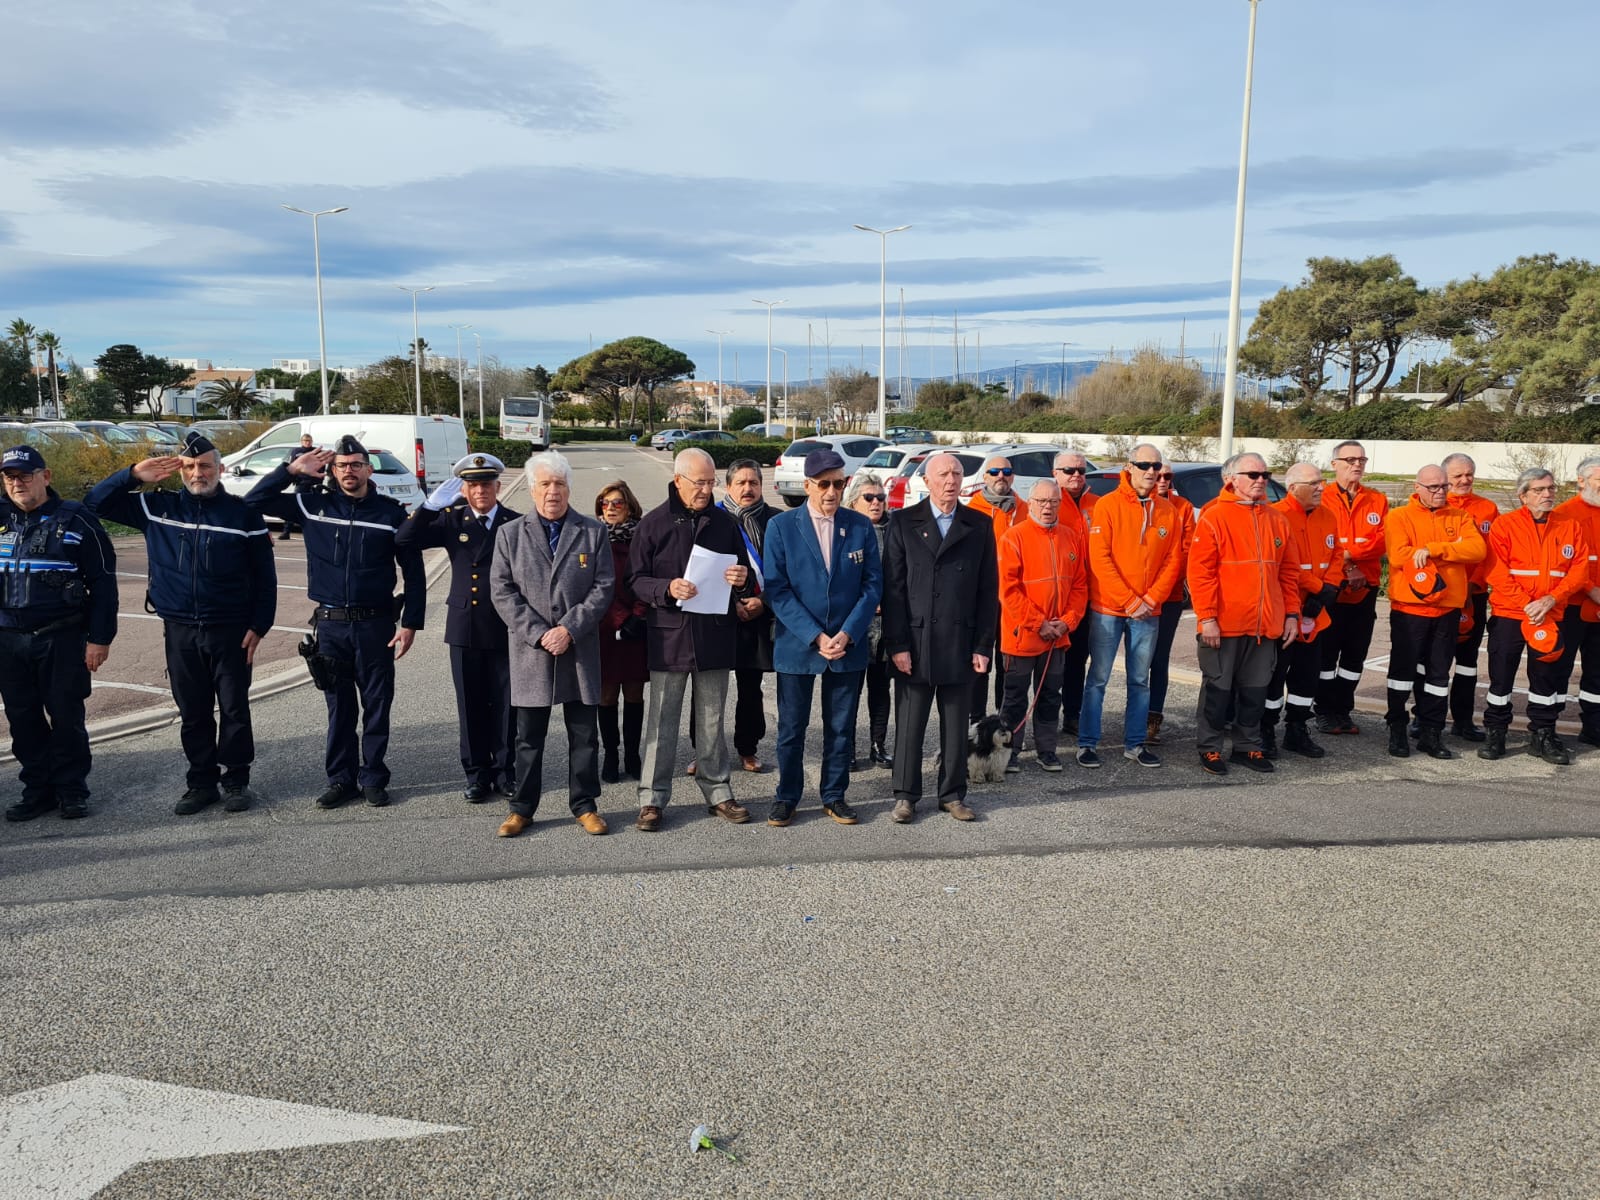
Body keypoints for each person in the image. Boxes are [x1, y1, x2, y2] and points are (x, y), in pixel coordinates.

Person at [85, 431, 276, 814]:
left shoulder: (242, 515)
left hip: (231, 630)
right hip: (180, 630)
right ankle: (201, 783)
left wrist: (260, 625)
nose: (197, 473)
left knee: (235, 709)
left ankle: (236, 780)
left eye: (204, 466)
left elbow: (265, 577)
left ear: (220, 468)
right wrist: (132, 474)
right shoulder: (157, 507)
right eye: (189, 466)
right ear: (179, 470)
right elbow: (94, 504)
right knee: (193, 711)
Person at [245, 434, 425, 808]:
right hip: (331, 625)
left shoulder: (390, 514)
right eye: (342, 465)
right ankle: (341, 779)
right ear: (332, 470)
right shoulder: (313, 506)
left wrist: (411, 623)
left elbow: (414, 571)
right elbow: (253, 502)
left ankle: (373, 777)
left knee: (377, 704)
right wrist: (290, 470)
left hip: (376, 624)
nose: (349, 471)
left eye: (356, 464)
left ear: (368, 470)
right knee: (339, 708)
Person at [626, 446, 754, 831]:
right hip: (669, 639)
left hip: (714, 635)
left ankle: (718, 791)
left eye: (711, 482)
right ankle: (652, 798)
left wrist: (741, 578)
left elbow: (745, 571)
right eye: (699, 482)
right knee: (661, 721)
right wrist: (666, 588)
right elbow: (634, 580)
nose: (706, 489)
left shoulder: (725, 523)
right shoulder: (653, 524)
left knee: (712, 720)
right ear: (678, 480)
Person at [489, 451, 615, 837]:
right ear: (532, 489)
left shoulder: (592, 531)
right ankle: (522, 808)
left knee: (584, 735)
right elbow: (501, 590)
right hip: (532, 651)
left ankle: (585, 805)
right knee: (528, 738)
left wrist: (569, 628)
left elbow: (604, 586)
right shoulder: (510, 534)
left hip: (578, 649)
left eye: (559, 483)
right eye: (545, 484)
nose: (552, 491)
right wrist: (539, 632)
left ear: (569, 488)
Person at [761, 448, 882, 826]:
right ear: (808, 485)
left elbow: (872, 586)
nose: (832, 492)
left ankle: (834, 794)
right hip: (798, 643)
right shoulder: (782, 526)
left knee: (840, 727)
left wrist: (848, 632)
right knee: (791, 728)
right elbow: (777, 589)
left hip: (847, 644)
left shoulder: (859, 526)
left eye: (839, 484)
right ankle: (787, 796)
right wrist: (815, 636)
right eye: (824, 484)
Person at [0, 446, 117, 822]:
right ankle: (38, 790)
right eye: (9, 477)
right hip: (8, 638)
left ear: (46, 477)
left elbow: (103, 582)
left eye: (25, 475)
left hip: (60, 637)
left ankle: (71, 790)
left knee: (66, 717)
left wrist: (100, 638)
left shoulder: (76, 519)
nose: (17, 483)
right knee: (22, 719)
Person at [881, 451, 999, 823]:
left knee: (956, 726)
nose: (951, 481)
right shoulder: (903, 522)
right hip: (915, 642)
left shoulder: (979, 524)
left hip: (960, 641)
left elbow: (988, 590)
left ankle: (952, 794)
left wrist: (983, 645)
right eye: (943, 474)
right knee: (910, 725)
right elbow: (893, 589)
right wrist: (897, 644)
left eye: (957, 474)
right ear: (927, 480)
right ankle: (905, 796)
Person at [394, 452, 519, 802]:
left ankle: (505, 772)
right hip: (465, 624)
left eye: (486, 484)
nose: (480, 491)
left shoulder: (514, 522)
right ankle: (477, 774)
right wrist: (429, 507)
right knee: (471, 702)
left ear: (498, 487)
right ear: (464, 489)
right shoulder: (452, 520)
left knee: (507, 704)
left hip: (505, 624)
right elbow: (404, 539)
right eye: (473, 485)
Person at [1187, 453, 1300, 776]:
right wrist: (1207, 617)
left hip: (1264, 626)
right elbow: (1200, 573)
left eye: (1265, 474)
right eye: (1253, 474)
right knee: (1218, 691)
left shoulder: (1278, 520)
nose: (1261, 480)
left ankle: (1247, 747)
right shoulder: (1214, 516)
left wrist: (1292, 614)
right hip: (1224, 625)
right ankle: (1209, 748)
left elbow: (1289, 573)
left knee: (1255, 691)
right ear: (1232, 479)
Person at [1078, 445, 1182, 769]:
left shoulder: (1169, 511)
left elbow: (1173, 561)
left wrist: (1150, 600)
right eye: (1144, 465)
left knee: (1140, 681)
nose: (1151, 471)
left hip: (1148, 612)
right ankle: (1087, 743)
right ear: (1129, 466)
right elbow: (1100, 558)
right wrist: (1130, 600)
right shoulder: (1108, 505)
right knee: (1098, 678)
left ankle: (1135, 744)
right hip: (1109, 609)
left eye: (1156, 466)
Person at [1479, 468, 1590, 764]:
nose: (1547, 494)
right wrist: (1528, 604)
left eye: (1551, 488)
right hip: (1510, 615)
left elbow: (1579, 570)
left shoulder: (1570, 526)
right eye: (1539, 490)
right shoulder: (1505, 525)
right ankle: (1496, 732)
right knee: (1501, 676)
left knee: (1546, 679)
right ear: (1523, 495)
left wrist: (1552, 599)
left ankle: (1542, 734)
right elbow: (1496, 572)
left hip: (1551, 615)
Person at [1381, 464, 1486, 760]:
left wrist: (1433, 549)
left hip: (1447, 608)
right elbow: (1399, 555)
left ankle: (1431, 732)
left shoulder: (1460, 516)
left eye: (1444, 486)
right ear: (1417, 488)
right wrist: (1453, 550)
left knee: (1439, 675)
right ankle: (1397, 728)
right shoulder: (1399, 516)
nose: (1441, 492)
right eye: (1434, 487)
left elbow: (1477, 550)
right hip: (1410, 608)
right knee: (1402, 673)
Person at [997, 478, 1088, 773]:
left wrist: (1067, 622)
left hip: (1057, 637)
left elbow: (1080, 586)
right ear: (1031, 502)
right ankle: (1009, 752)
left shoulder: (1070, 537)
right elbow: (1008, 591)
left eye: (1053, 502)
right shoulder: (1014, 537)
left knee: (1050, 695)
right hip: (1022, 636)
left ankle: (1047, 750)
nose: (1047, 507)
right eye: (1041, 501)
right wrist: (1038, 623)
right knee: (1015, 698)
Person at [1261, 463, 1340, 760]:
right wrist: (1318, 587)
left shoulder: (1327, 516)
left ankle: (1296, 729)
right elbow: (1283, 564)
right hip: (1285, 611)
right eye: (1314, 483)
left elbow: (1336, 555)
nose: (1321, 488)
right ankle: (1265, 731)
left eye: (1322, 481)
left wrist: (1329, 587)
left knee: (1307, 676)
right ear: (1293, 488)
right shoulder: (1276, 516)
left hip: (1316, 614)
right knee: (1274, 676)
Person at [1314, 441, 1388, 736]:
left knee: (1355, 655)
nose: (1357, 464)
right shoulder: (1321, 497)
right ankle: (1323, 710)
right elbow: (1324, 542)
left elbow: (1382, 540)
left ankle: (1343, 709)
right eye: (1350, 459)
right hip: (1332, 586)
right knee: (1327, 654)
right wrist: (1347, 564)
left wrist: (1349, 554)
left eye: (1361, 459)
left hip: (1365, 587)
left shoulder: (1377, 499)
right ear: (1335, 464)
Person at [718, 458, 776, 772]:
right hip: (720, 615)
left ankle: (748, 748)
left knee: (750, 687)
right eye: (740, 482)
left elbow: (787, 571)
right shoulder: (713, 519)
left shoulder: (776, 520)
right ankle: (705, 750)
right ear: (728, 486)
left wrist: (763, 601)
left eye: (753, 482)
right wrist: (733, 603)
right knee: (709, 689)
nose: (747, 488)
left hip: (759, 615)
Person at [594, 479, 649, 782]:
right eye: (606, 503)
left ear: (629, 507)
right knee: (606, 694)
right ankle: (611, 754)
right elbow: (593, 586)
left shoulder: (642, 537)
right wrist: (618, 617)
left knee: (634, 692)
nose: (611, 508)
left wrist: (638, 615)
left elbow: (649, 576)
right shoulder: (593, 538)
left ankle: (632, 754)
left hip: (636, 626)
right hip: (604, 626)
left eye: (618, 503)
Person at [1442, 453, 1500, 740]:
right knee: (1434, 660)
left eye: (1469, 474)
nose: (1465, 480)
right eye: (1458, 476)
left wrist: (1474, 584)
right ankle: (1425, 718)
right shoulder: (1437, 505)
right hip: (1441, 595)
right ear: (1445, 478)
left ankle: (1463, 720)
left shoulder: (1488, 508)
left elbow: (1492, 552)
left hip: (1474, 595)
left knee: (1467, 661)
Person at [965, 454, 1026, 718]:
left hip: (1013, 598)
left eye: (1007, 471)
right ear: (985, 477)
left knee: (1008, 663)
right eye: (994, 471)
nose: (1001, 476)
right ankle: (975, 721)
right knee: (980, 661)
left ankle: (1005, 721)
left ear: (1013, 476)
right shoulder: (970, 511)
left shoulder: (1025, 510)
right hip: (980, 599)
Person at [845, 472, 894, 768]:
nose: (876, 503)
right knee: (850, 690)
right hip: (855, 622)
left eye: (880, 497)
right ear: (854, 502)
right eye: (869, 497)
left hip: (886, 623)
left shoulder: (894, 530)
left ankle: (878, 745)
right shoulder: (846, 530)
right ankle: (847, 749)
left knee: (881, 688)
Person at [1144, 463, 1195, 747]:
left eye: (1167, 476)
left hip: (1170, 597)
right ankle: (1135, 716)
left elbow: (1186, 551)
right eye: (1158, 475)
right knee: (1138, 660)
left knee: (1160, 658)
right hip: (1138, 597)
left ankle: (1153, 718)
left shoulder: (1183, 507)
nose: (1162, 480)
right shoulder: (1139, 504)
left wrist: (1161, 586)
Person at [1051, 450, 1100, 735]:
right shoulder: (1048, 502)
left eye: (1081, 470)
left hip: (1089, 596)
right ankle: (1043, 719)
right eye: (1069, 470)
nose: (1076, 475)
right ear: (1055, 473)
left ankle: (1072, 714)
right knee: (1048, 664)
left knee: (1078, 659)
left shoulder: (1098, 504)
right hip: (1056, 595)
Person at [1553, 455, 1600, 746]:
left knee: (1597, 672)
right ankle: (1548, 726)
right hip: (1571, 606)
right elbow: (1566, 563)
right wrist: (1592, 590)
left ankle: (1594, 727)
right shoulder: (1564, 515)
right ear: (1581, 481)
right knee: (1560, 667)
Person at [277, 433, 318, 541]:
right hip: (301, 483)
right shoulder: (296, 451)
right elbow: (292, 466)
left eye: (309, 440)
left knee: (314, 509)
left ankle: (313, 533)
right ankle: (286, 531)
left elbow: (321, 467)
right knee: (294, 506)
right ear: (301, 441)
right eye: (305, 440)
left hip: (313, 483)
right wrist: (294, 479)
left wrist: (318, 481)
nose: (307, 442)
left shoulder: (316, 451)